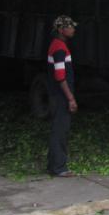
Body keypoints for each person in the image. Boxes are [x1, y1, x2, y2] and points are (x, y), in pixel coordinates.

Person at [47, 15, 79, 178]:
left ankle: (53, 165)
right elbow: (60, 76)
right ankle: (59, 168)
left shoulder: (57, 45)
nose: (73, 29)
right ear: (61, 30)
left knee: (58, 129)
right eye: (70, 27)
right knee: (60, 130)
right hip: (60, 96)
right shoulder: (59, 48)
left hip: (57, 95)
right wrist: (70, 98)